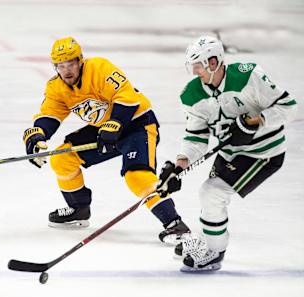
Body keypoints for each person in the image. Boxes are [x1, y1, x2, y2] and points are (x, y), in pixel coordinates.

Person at [23, 36, 190, 243]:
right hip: (105, 130)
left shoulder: (99, 68)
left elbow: (127, 96)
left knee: (136, 177)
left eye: (71, 64)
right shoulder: (56, 87)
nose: (66, 71)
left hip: (137, 124)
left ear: (80, 60)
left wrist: (116, 123)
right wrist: (37, 134)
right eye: (60, 65)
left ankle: (175, 224)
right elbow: (50, 114)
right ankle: (79, 208)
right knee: (62, 159)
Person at [157, 36, 298, 271]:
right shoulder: (190, 94)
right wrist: (179, 166)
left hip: (263, 153)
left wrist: (257, 121)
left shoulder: (248, 75)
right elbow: (196, 137)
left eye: (198, 65)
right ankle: (206, 240)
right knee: (209, 195)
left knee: (212, 193)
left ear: (213, 62)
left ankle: (213, 251)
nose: (194, 71)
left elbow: (288, 106)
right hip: (230, 150)